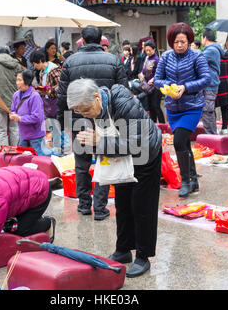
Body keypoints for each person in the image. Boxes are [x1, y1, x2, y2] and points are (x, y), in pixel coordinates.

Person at [66, 78, 162, 278]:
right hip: (123, 158)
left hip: (147, 156)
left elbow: (138, 145)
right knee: (122, 203)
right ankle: (123, 249)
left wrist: (99, 141)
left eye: (86, 111)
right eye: (80, 113)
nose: (84, 116)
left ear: (97, 97)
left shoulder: (124, 106)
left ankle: (143, 256)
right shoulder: (98, 107)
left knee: (142, 206)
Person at [57, 25, 128, 220]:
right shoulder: (113, 60)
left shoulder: (70, 62)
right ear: (100, 40)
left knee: (82, 163)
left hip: (79, 118)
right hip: (105, 118)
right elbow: (123, 92)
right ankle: (100, 207)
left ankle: (84, 205)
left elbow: (62, 95)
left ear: (82, 40)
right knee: (103, 161)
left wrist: (62, 121)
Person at [154, 22, 211, 198]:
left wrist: (185, 87)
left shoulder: (197, 56)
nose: (179, 45)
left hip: (192, 106)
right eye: (177, 42)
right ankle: (193, 180)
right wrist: (169, 86)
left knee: (178, 141)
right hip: (172, 107)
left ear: (189, 41)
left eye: (183, 42)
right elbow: (157, 80)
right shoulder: (166, 57)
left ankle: (185, 180)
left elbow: (206, 78)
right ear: (172, 42)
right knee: (184, 143)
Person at [29, 50, 69, 152]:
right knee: (55, 127)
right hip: (48, 103)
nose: (34, 66)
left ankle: (61, 150)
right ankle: (59, 149)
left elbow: (61, 86)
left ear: (39, 61)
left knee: (58, 127)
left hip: (56, 102)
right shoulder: (42, 72)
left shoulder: (53, 69)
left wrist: (47, 90)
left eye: (34, 64)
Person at [9, 69, 54, 156]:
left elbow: (37, 117)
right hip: (23, 134)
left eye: (20, 80)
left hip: (36, 136)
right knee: (23, 162)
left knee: (40, 161)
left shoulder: (35, 96)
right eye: (17, 80)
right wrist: (12, 114)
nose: (17, 83)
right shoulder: (16, 95)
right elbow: (13, 109)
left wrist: (20, 118)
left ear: (27, 81)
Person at [201, 29, 224, 135]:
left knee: (207, 111)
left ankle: (211, 136)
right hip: (211, 83)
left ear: (205, 38)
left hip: (210, 84)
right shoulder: (213, 49)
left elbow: (198, 60)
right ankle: (212, 135)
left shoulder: (211, 50)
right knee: (208, 110)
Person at [138, 40, 165, 123]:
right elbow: (143, 70)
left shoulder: (157, 60)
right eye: (146, 50)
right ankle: (154, 124)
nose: (148, 52)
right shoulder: (146, 58)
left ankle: (162, 124)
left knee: (156, 106)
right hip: (148, 87)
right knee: (150, 107)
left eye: (150, 50)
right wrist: (141, 74)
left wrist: (154, 79)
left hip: (156, 86)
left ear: (154, 49)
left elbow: (162, 72)